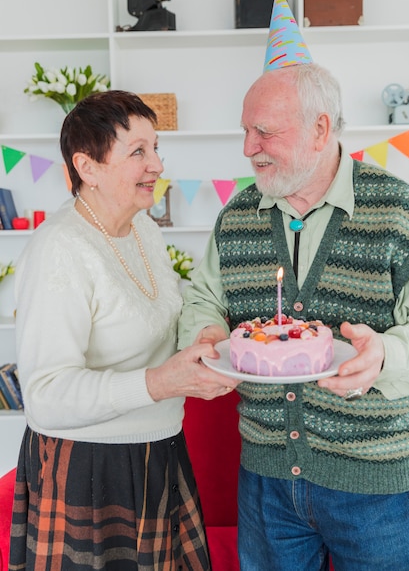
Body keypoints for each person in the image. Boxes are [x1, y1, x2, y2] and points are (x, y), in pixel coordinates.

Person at [178, 62, 409, 571]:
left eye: (264, 131)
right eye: (245, 130)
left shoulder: (399, 212)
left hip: (377, 488)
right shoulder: (238, 215)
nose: (247, 147)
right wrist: (209, 335)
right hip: (266, 485)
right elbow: (204, 297)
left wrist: (384, 356)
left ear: (321, 128)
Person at [9, 90, 238, 571]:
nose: (156, 164)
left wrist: (206, 341)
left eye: (156, 148)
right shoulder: (59, 250)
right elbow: (46, 394)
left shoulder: (144, 230)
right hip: (89, 474)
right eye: (138, 151)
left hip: (161, 455)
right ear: (87, 167)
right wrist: (159, 383)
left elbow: (163, 325)